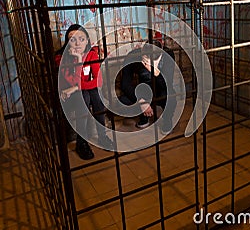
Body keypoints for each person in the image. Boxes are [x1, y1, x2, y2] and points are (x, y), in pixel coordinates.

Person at [55, 24, 113, 160]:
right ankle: (81, 142)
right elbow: (72, 81)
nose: (77, 43)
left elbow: (98, 81)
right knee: (85, 96)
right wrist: (79, 60)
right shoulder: (60, 58)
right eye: (72, 39)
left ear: (87, 40)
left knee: (95, 95)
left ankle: (102, 136)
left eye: (81, 39)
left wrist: (76, 87)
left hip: (78, 91)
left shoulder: (92, 54)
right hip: (67, 96)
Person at [119, 39, 176, 134]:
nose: (147, 65)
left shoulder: (168, 55)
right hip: (143, 90)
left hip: (160, 89)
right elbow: (125, 84)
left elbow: (168, 85)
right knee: (123, 100)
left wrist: (156, 72)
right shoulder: (132, 55)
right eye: (145, 61)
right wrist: (141, 101)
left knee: (171, 96)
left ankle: (167, 119)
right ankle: (143, 116)